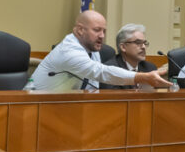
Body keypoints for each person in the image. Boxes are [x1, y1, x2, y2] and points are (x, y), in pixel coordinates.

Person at [29, 11, 170, 92]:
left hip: (66, 105)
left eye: (104, 31)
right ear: (79, 30)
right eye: (97, 30)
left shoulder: (92, 48)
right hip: (34, 105)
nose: (102, 36)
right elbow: (100, 72)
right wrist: (143, 77)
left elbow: (93, 86)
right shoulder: (68, 50)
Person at [100, 23, 166, 90]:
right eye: (138, 43)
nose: (143, 47)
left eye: (144, 43)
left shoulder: (149, 68)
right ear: (123, 47)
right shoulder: (110, 70)